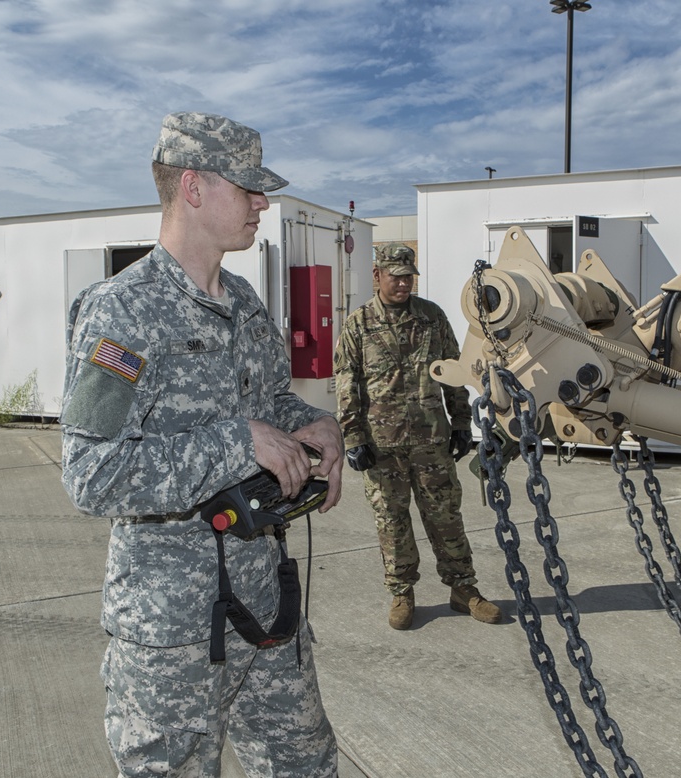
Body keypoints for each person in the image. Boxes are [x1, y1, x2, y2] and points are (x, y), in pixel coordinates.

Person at [61, 112, 342, 777]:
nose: (262, 203)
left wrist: (319, 425)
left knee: (306, 765)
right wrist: (235, 443)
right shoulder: (120, 313)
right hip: (171, 634)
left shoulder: (243, 301)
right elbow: (92, 473)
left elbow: (272, 405)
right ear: (192, 187)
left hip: (266, 607)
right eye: (247, 187)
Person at [333, 243, 502, 630]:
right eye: (395, 276)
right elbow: (346, 381)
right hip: (381, 445)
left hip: (430, 440)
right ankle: (402, 593)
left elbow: (453, 371)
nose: (403, 283)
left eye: (408, 276)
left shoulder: (431, 317)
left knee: (445, 517)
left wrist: (462, 423)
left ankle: (464, 589)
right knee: (392, 522)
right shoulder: (359, 324)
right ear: (377, 276)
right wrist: (353, 436)